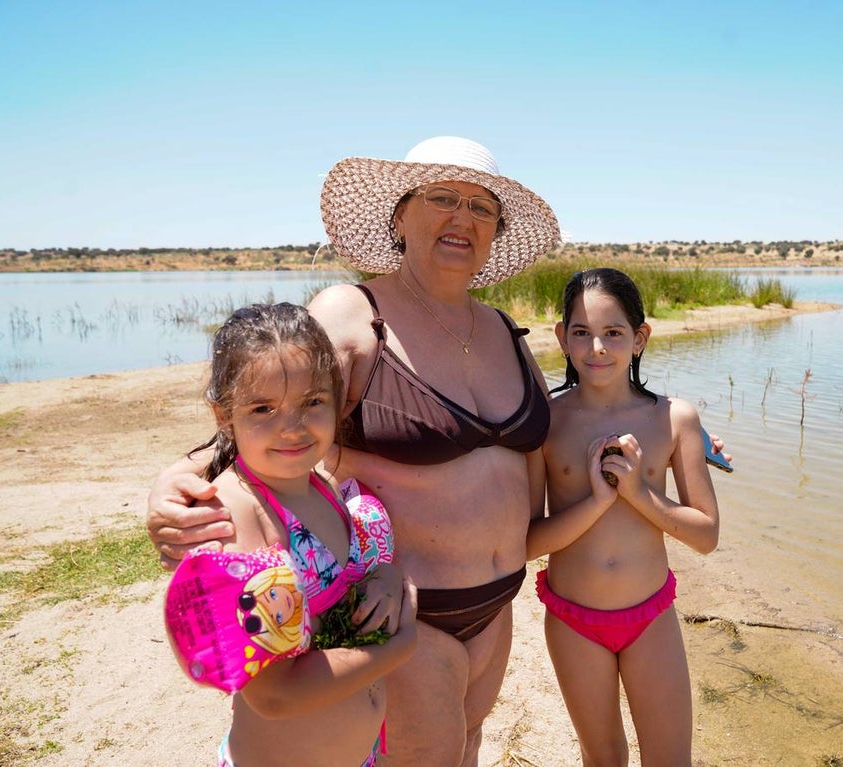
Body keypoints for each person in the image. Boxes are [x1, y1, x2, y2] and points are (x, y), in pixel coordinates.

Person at [147, 137, 562, 766]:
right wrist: (177, 478)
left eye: (481, 208)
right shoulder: (353, 312)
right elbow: (265, 405)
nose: (462, 218)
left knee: (468, 745)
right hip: (402, 611)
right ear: (399, 216)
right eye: (442, 198)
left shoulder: (504, 328)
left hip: (497, 608)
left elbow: (551, 438)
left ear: (497, 230)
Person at [170, 302, 417, 767]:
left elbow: (348, 580)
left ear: (336, 398)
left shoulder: (319, 485)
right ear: (224, 414)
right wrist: (396, 648)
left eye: (312, 402)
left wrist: (383, 575)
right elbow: (273, 695)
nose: (293, 427)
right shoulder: (235, 518)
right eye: (263, 408)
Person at [526, 268, 721, 766]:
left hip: (650, 617)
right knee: (603, 757)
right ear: (561, 338)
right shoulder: (544, 423)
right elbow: (527, 543)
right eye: (582, 332)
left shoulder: (676, 418)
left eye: (613, 333)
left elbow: (706, 535)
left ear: (640, 338)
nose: (597, 348)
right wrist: (596, 500)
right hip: (573, 620)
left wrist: (636, 492)